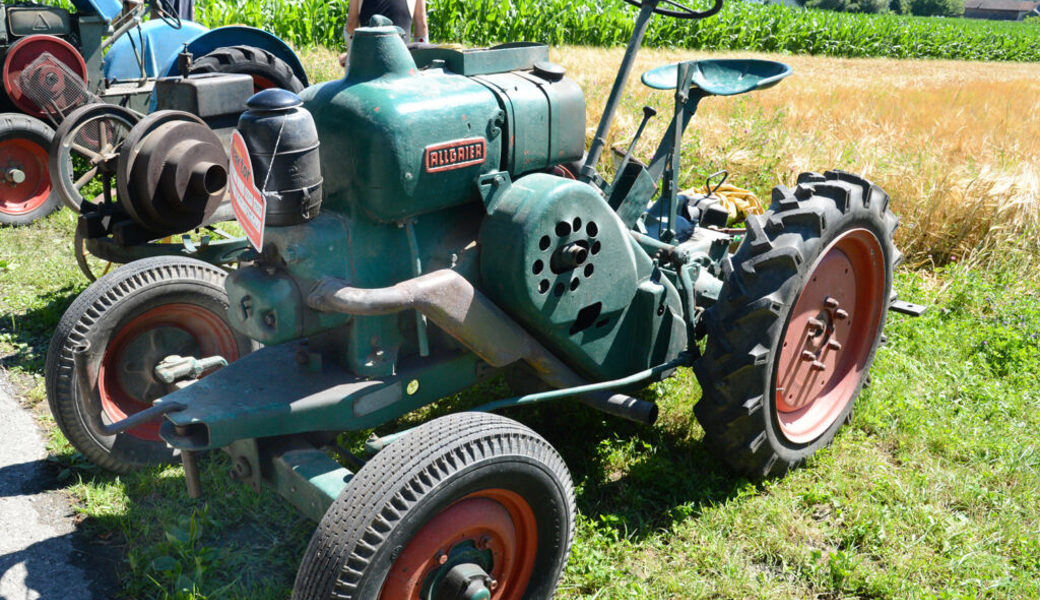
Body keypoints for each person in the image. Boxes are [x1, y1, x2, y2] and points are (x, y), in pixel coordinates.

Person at [338, 0, 428, 66]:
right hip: (401, 59)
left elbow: (351, 24)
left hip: (368, 59)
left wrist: (351, 57)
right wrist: (423, 63)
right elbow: (422, 25)